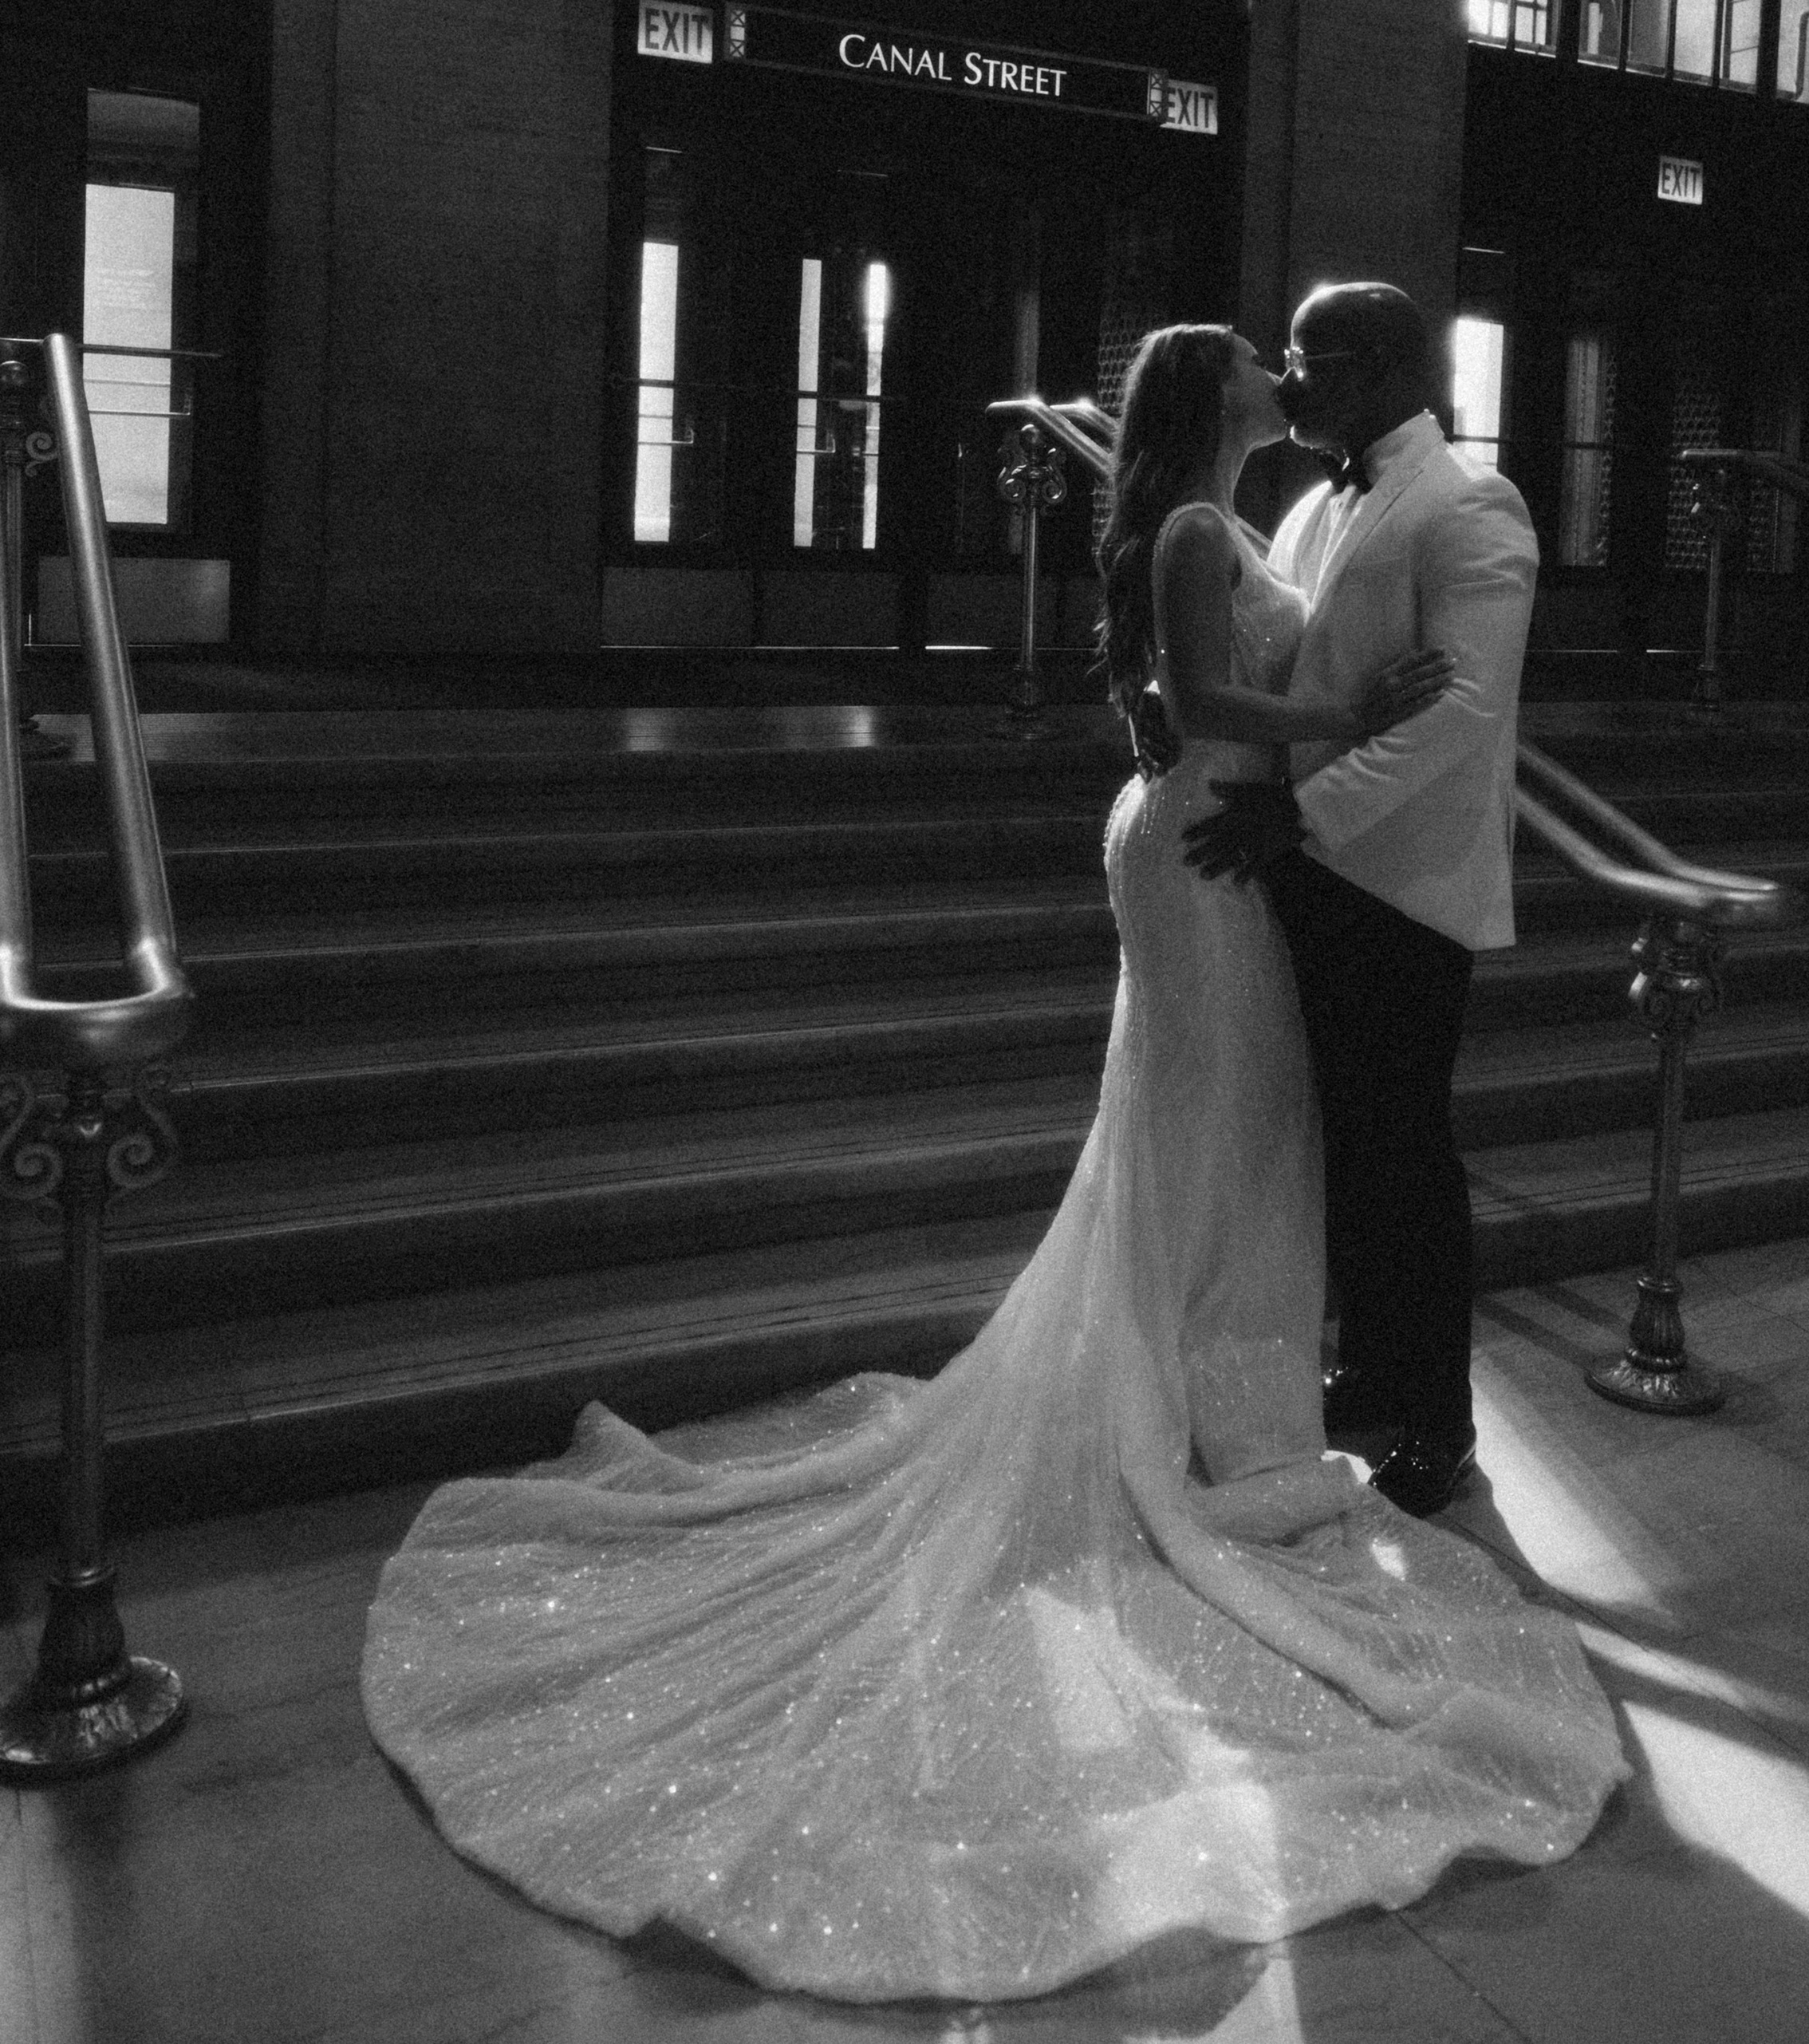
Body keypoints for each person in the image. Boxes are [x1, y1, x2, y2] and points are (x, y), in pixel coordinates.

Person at [360, 323, 1624, 2007]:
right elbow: (1196, 700)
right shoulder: (1195, 530)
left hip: (1246, 853)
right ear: (1214, 401)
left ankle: (1223, 1383)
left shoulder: (1282, 518)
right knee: (1204, 1125)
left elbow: (1304, 686)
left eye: (1298, 351)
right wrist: (1333, 708)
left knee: (1238, 1131)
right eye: (1262, 359)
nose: (1280, 368)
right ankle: (1198, 1397)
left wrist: (1326, 730)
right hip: (1201, 850)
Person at [1187, 282, 1538, 1521]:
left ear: (1385, 365)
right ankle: (1370, 1365)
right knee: (1344, 1145)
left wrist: (1307, 813)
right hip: (1306, 879)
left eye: (1311, 359)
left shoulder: (1471, 505)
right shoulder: (1303, 509)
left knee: (1408, 1155)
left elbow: (1459, 715)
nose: (1290, 382)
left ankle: (1440, 1417)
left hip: (1405, 887)